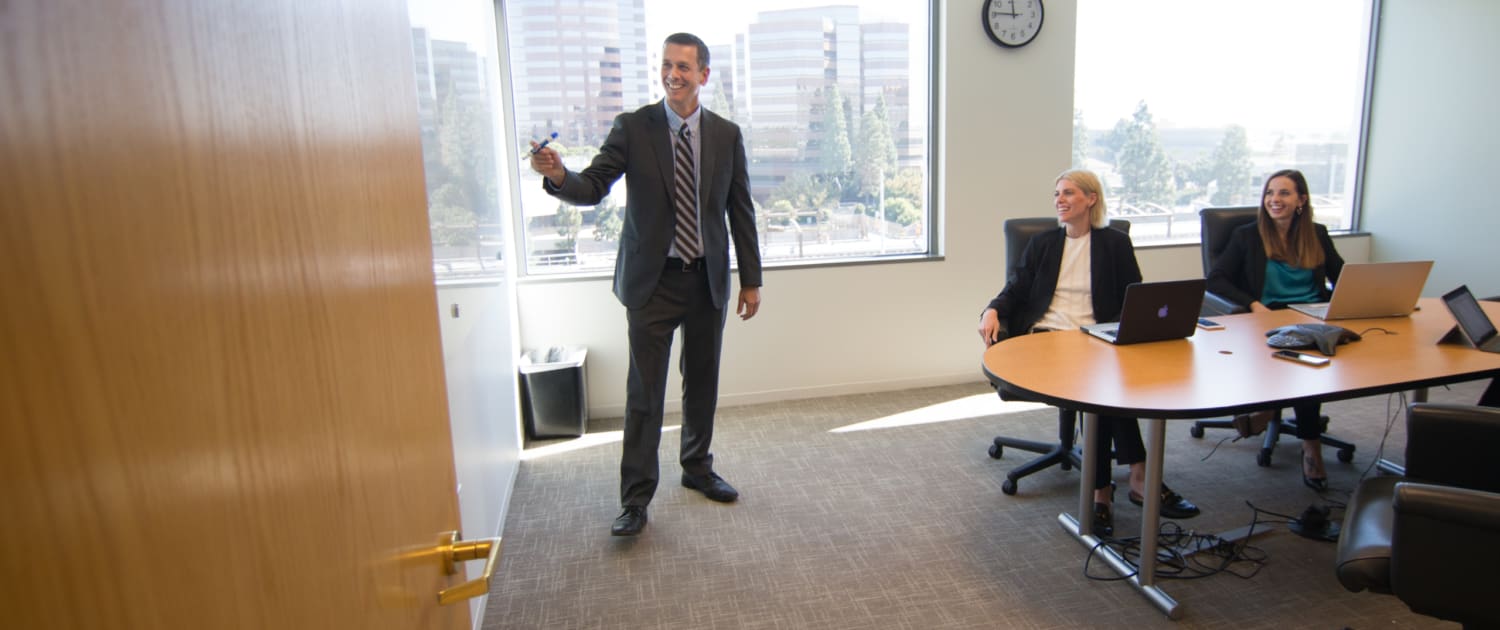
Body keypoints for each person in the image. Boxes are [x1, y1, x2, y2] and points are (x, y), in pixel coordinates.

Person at [529, 33, 763, 536]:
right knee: (645, 394)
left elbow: (739, 210)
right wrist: (558, 174)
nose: (672, 74)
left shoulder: (726, 134)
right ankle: (635, 499)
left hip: (707, 283)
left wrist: (751, 280)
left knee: (702, 384)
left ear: (703, 74)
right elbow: (592, 186)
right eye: (666, 65)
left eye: (683, 66)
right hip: (651, 284)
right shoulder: (633, 127)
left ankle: (697, 467)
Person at [978, 169, 1200, 536]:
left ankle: (1117, 486)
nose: (1059, 200)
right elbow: (1016, 287)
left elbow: (1134, 295)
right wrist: (991, 309)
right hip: (1047, 337)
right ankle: (1121, 485)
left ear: (1091, 199)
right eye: (1056, 194)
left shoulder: (1114, 243)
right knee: (1099, 395)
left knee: (1108, 390)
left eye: (1068, 193)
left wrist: (1113, 331)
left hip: (1094, 337)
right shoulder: (1043, 243)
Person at [1206, 169, 1344, 491]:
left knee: (1313, 355)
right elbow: (1217, 279)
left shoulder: (1318, 234)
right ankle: (1311, 446)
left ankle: (1268, 408)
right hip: (1267, 318)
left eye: (1283, 193)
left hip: (1311, 315)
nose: (1274, 200)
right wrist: (1254, 304)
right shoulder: (1248, 236)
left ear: (1301, 200)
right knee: (1304, 364)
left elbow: (1341, 276)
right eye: (1269, 193)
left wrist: (1347, 302)